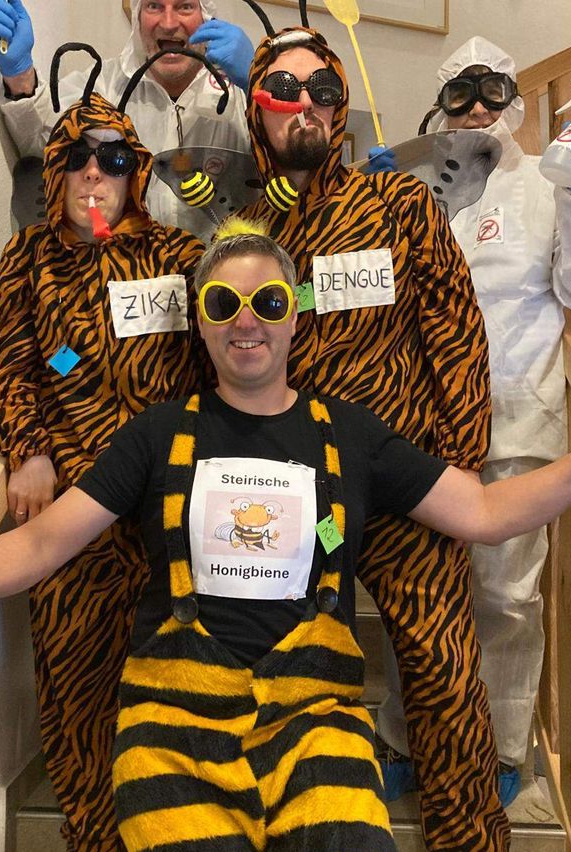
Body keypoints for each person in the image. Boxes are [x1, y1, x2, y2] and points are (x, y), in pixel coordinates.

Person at [0, 226, 571, 852]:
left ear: (295, 320)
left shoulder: (352, 435)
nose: (245, 320)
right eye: (222, 304)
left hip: (314, 713)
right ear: (203, 327)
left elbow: (485, 512)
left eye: (268, 303)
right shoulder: (154, 434)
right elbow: (44, 545)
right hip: (170, 719)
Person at [237, 27, 504, 849]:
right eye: (285, 90)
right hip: (292, 502)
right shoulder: (242, 239)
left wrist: (457, 467)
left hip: (406, 490)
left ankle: (468, 834)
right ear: (257, 109)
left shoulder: (401, 207)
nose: (307, 106)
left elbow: (456, 336)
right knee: (279, 678)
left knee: (446, 672)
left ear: (341, 107)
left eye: (323, 90)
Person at [373, 36, 571, 808]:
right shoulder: (417, 183)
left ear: (515, 99)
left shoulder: (547, 184)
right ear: (442, 102)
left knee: (506, 599)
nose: (479, 105)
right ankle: (404, 737)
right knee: (409, 590)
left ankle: (499, 742)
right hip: (415, 427)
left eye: (492, 90)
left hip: (516, 422)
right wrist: (370, 207)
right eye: (462, 91)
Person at [0, 67, 206, 849]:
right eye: (77, 159)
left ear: (135, 173)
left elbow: (232, 350)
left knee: (176, 686)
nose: (94, 176)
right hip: (72, 515)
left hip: (168, 505)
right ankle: (94, 832)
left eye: (113, 161)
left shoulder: (178, 252)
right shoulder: (29, 259)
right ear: (54, 173)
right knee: (76, 692)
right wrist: (28, 449)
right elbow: (8, 364)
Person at [0, 0, 253, 239]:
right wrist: (19, 74)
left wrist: (257, 80)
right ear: (137, 15)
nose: (168, 23)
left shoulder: (238, 93)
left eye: (185, 6)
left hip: (228, 284)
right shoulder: (103, 86)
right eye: (154, 6)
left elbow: (288, 159)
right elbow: (41, 145)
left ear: (207, 16)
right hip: (130, 278)